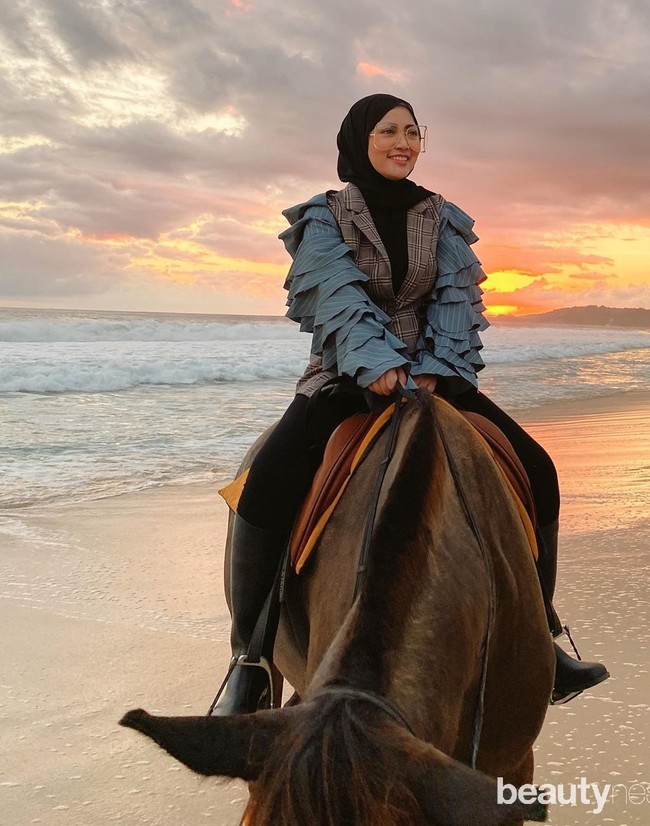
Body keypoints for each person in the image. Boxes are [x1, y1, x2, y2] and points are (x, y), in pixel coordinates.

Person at [211, 94, 609, 715]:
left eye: (413, 133)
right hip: (344, 377)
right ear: (358, 139)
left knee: (538, 470)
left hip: (434, 378)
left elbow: (455, 301)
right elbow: (335, 297)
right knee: (264, 485)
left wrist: (430, 371)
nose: (403, 142)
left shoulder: (441, 217)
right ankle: (251, 660)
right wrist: (379, 366)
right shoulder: (325, 217)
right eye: (389, 131)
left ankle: (543, 639)